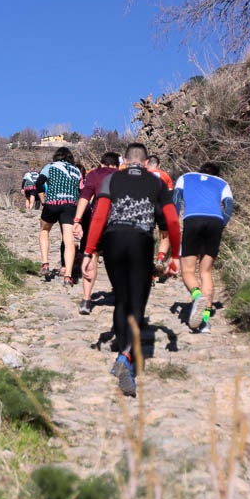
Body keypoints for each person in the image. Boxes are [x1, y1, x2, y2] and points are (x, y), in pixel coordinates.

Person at [82, 143, 181, 395]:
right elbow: (170, 220)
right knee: (137, 303)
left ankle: (120, 346)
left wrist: (88, 251)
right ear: (147, 162)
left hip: (113, 240)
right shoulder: (157, 183)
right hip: (140, 241)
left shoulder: (112, 179)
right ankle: (126, 357)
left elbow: (99, 216)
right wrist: (175, 255)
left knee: (122, 299)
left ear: (125, 161)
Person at [173, 162, 233, 333]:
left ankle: (197, 296)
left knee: (188, 271)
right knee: (206, 272)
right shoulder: (222, 183)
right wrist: (221, 225)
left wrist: (174, 222)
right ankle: (205, 322)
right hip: (215, 221)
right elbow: (228, 207)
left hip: (193, 220)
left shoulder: (185, 177)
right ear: (217, 173)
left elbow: (176, 199)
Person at [72, 151, 122, 315]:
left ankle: (86, 300)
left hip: (97, 222)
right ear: (117, 165)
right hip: (118, 223)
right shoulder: (123, 175)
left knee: (91, 257)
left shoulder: (94, 174)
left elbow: (84, 198)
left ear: (101, 163)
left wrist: (77, 220)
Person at [36, 147, 82, 285]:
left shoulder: (50, 166)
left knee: (44, 230)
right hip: (70, 205)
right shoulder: (77, 171)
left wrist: (43, 200)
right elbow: (81, 190)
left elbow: (39, 182)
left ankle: (45, 264)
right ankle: (68, 276)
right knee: (69, 241)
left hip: (52, 202)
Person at [144, 153, 175, 276]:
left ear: (146, 164)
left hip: (146, 208)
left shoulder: (143, 176)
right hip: (162, 207)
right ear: (159, 165)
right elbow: (170, 195)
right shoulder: (165, 176)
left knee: (147, 236)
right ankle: (160, 259)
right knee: (165, 234)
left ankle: (148, 267)